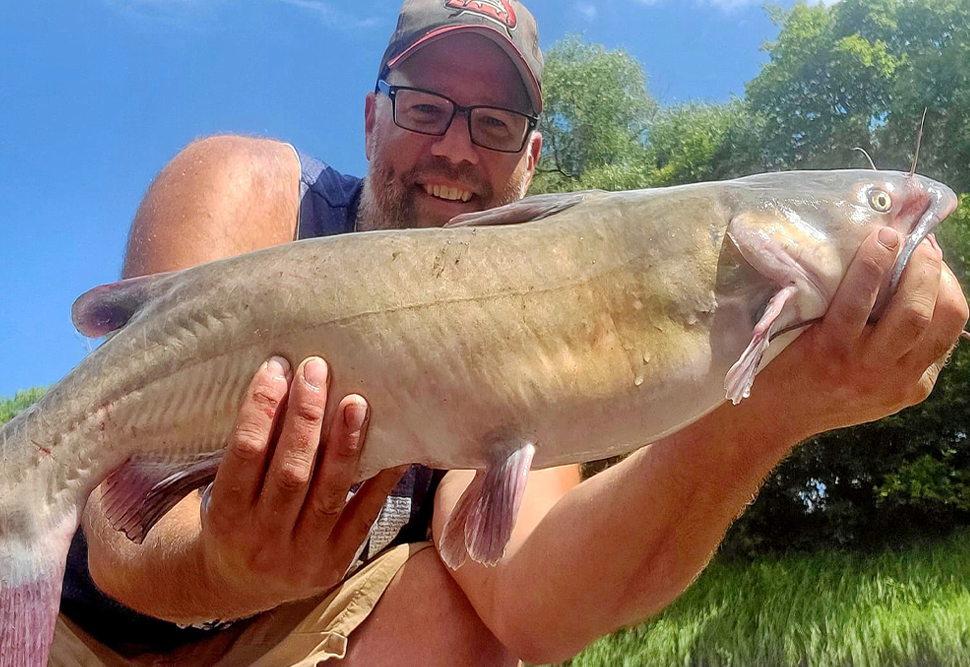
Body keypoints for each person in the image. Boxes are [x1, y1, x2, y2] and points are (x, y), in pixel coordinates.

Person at [51, 0, 969, 665]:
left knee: (471, 630)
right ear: (372, 117)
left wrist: (772, 409)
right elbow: (125, 547)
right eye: (424, 107)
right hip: (87, 632)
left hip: (291, 638)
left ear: (532, 159)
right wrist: (223, 564)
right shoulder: (245, 189)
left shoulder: (551, 314)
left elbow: (534, 604)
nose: (456, 147)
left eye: (494, 122)